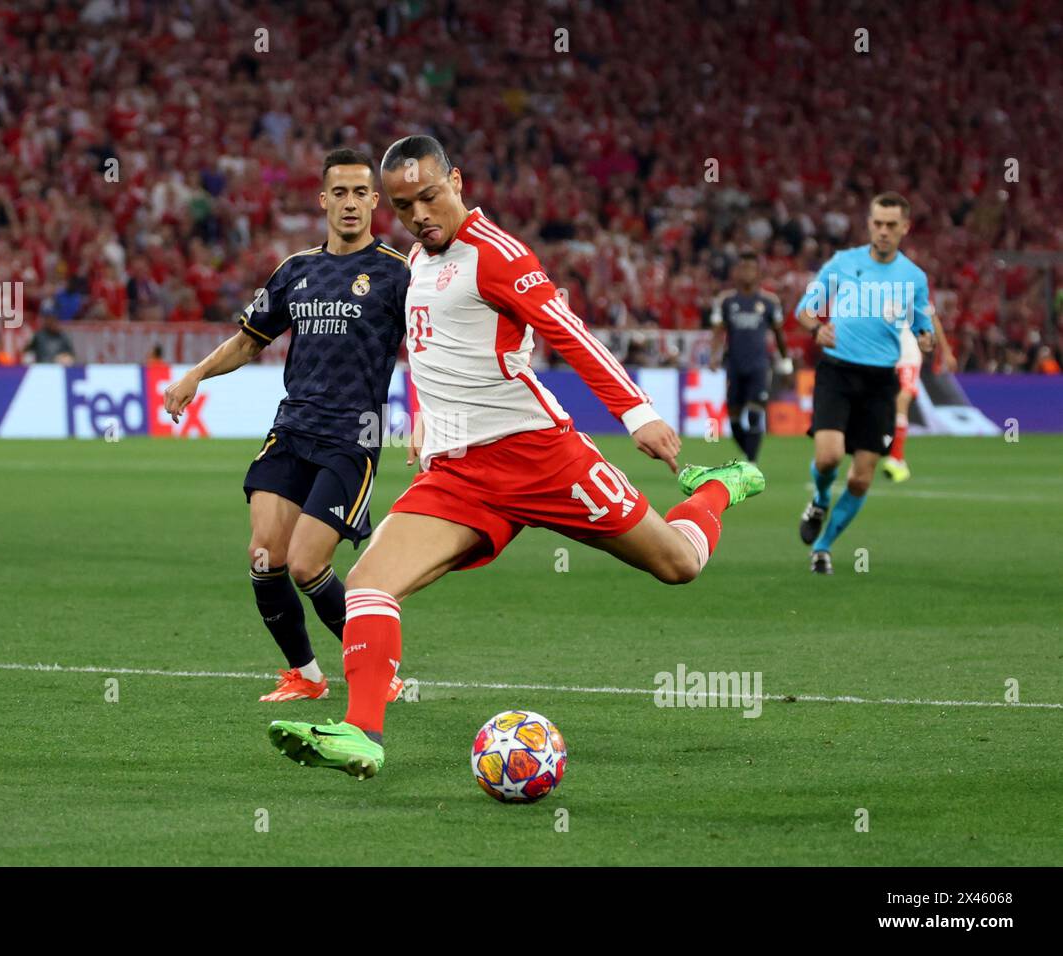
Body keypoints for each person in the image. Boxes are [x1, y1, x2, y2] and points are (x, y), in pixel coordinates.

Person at [267, 136, 764, 780]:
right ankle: (362, 734)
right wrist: (423, 419)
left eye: (429, 196)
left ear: (458, 182)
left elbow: (567, 330)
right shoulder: (416, 261)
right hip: (458, 475)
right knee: (366, 584)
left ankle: (719, 489)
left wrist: (635, 412)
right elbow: (431, 349)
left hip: (540, 456)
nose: (418, 213)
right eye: (404, 204)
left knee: (678, 563)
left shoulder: (497, 254)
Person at [163, 149, 409, 703]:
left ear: (375, 201)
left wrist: (429, 419)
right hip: (292, 428)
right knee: (263, 557)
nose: (350, 203)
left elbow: (430, 349)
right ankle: (308, 675)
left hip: (353, 435)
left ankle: (377, 673)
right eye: (339, 193)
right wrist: (196, 374)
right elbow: (250, 340)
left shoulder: (397, 275)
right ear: (323, 200)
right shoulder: (296, 271)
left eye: (360, 193)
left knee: (305, 564)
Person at [794, 192, 935, 573]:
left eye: (892, 225)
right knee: (828, 457)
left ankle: (823, 546)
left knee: (860, 479)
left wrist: (926, 338)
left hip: (879, 383)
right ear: (869, 224)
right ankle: (820, 500)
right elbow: (803, 310)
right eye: (878, 223)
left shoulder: (914, 278)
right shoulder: (843, 264)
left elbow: (924, 326)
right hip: (837, 372)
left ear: (905, 227)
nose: (884, 231)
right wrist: (816, 328)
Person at [708, 251, 792, 462]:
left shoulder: (769, 301)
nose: (746, 272)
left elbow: (779, 333)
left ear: (758, 273)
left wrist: (785, 360)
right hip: (734, 365)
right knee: (734, 420)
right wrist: (714, 355)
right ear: (736, 272)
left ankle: (751, 463)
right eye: (742, 268)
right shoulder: (726, 300)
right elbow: (718, 331)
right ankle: (748, 453)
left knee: (755, 413)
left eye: (750, 268)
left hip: (759, 365)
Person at [880, 317, 954, 482]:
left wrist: (946, 351)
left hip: (908, 356)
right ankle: (895, 457)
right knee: (884, 406)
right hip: (885, 356)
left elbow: (933, 319)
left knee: (902, 399)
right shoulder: (877, 295)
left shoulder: (914, 292)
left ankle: (896, 458)